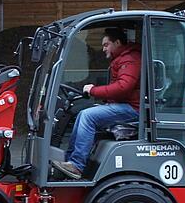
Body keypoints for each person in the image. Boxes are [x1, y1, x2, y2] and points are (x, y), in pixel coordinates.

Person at [52, 27, 141, 180]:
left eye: (106, 44)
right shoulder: (123, 58)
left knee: (88, 116)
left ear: (117, 42)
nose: (103, 48)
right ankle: (69, 161)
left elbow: (123, 87)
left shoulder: (130, 59)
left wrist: (94, 91)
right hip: (126, 105)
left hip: (133, 109)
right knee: (82, 114)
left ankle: (77, 165)